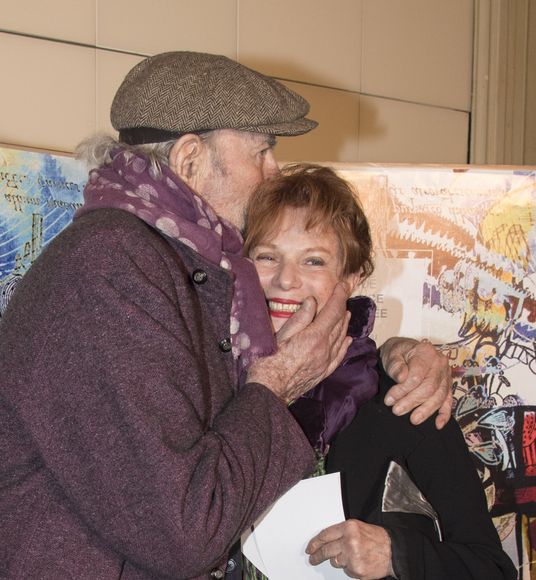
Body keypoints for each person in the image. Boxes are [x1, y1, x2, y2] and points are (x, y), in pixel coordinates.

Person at [0, 52, 449, 579]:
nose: (273, 171)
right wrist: (275, 384)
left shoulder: (168, 262)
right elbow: (184, 531)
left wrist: (400, 353)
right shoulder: (111, 264)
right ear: (190, 158)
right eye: (261, 151)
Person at [245, 163, 517, 580]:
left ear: (352, 277)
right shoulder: (215, 392)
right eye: (267, 256)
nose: (285, 280)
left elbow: (492, 569)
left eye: (313, 261)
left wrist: (397, 554)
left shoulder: (404, 400)